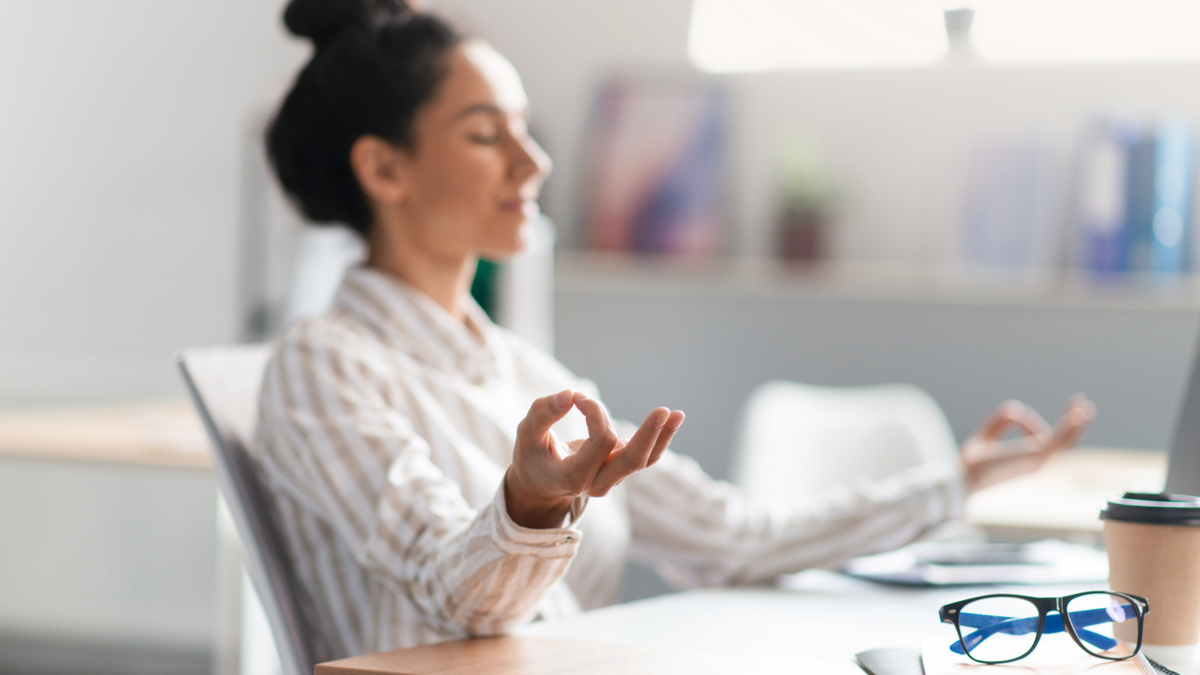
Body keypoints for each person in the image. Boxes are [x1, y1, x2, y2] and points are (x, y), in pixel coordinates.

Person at [254, 0, 1096, 660]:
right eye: (486, 133)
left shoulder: (518, 368)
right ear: (383, 166)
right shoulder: (322, 365)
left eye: (524, 126)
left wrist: (955, 479)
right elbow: (455, 591)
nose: (533, 161)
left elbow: (732, 537)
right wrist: (531, 506)